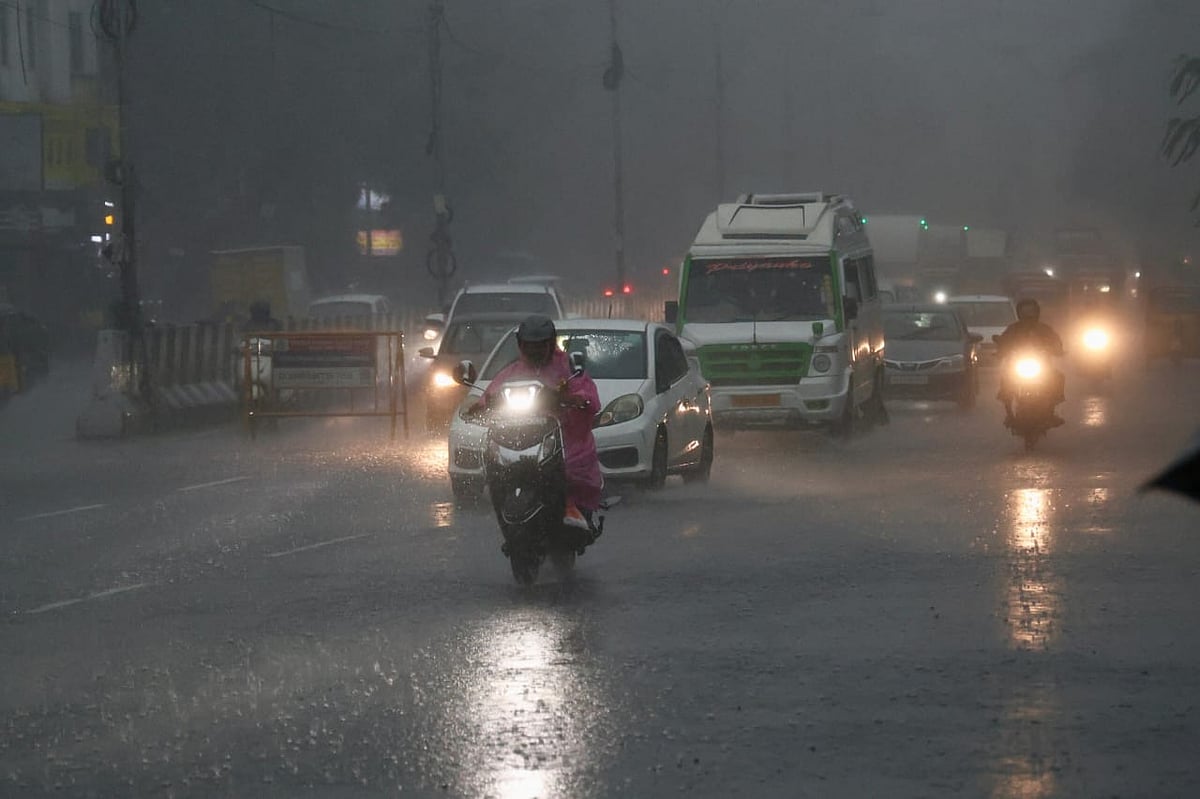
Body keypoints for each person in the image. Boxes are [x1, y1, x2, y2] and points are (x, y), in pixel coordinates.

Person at [471, 314, 602, 530]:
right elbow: (491, 393)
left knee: (569, 465)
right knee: (496, 468)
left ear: (551, 344)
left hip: (562, 436)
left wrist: (574, 398)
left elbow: (585, 392)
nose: (534, 350)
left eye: (540, 345)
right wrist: (480, 405)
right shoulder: (512, 372)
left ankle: (570, 505)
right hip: (521, 438)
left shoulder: (566, 367)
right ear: (521, 345)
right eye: (529, 345)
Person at [995, 298, 1066, 426]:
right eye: (1025, 312)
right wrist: (1000, 350)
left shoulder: (1045, 329)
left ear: (1037, 312)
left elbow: (1056, 342)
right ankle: (1009, 414)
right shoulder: (1013, 329)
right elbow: (1003, 342)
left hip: (1042, 367)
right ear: (1019, 313)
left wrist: (1058, 350)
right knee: (1006, 380)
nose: (1028, 315)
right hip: (1016, 366)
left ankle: (1051, 412)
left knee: (1058, 377)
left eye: (1031, 311)